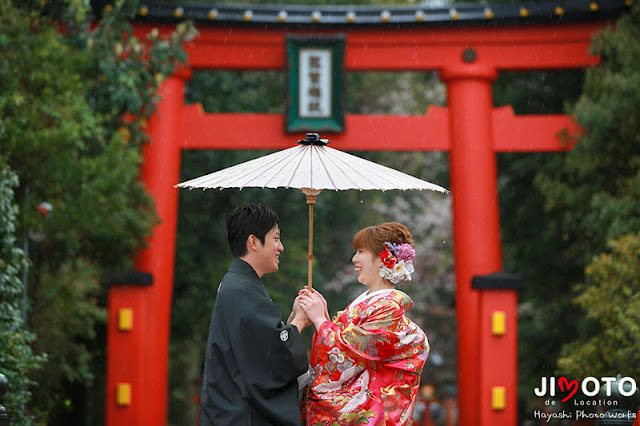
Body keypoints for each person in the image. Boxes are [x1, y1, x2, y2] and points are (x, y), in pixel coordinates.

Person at [298, 222, 429, 425]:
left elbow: (355, 353)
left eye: (360, 251)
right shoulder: (371, 302)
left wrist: (321, 321)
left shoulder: (388, 307)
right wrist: (321, 314)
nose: (354, 259)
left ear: (382, 259)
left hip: (375, 413)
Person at [199, 203, 312, 425]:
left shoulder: (239, 283)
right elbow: (270, 360)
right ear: (253, 242)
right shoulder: (242, 288)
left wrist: (291, 321)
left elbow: (259, 344)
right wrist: (299, 321)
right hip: (242, 415)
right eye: (276, 238)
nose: (281, 247)